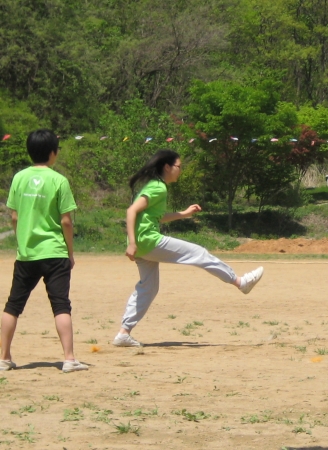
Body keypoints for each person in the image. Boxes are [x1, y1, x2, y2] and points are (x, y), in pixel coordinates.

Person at [113, 149, 263, 347]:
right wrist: (132, 242)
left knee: (148, 288)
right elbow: (131, 210)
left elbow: (156, 217)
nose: (180, 170)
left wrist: (183, 214)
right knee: (198, 253)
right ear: (167, 167)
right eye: (179, 166)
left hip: (143, 244)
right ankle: (239, 282)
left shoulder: (156, 186)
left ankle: (123, 333)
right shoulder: (158, 187)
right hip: (147, 241)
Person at [1, 129, 88, 372]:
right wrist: (70, 253)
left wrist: (22, 241)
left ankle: (4, 358)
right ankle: (69, 359)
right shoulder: (59, 180)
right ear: (52, 153)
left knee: (13, 305)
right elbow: (66, 222)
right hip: (55, 252)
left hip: (27, 253)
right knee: (61, 305)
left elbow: (15, 217)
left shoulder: (19, 178)